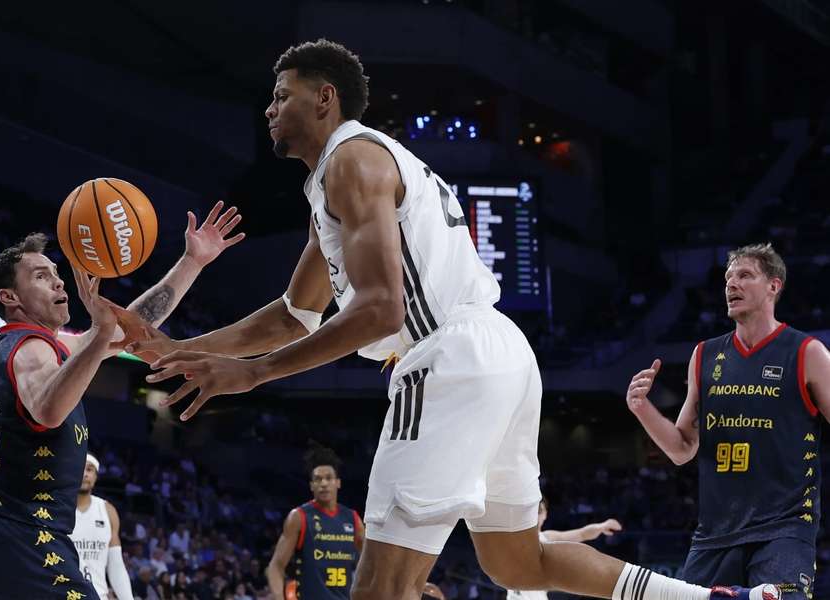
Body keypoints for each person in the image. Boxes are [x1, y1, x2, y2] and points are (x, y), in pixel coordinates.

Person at [131, 40, 780, 600]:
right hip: (502, 355)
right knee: (518, 562)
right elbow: (295, 314)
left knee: (380, 587)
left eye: (282, 96)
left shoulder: (352, 163)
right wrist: (183, 347)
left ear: (324, 98)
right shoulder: (342, 180)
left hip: (448, 359)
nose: (270, 109)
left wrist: (254, 374)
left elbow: (380, 309)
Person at [0, 201, 244, 600]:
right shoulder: (30, 348)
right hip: (17, 539)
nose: (59, 283)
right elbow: (48, 410)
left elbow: (130, 330)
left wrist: (192, 262)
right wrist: (101, 335)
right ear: (10, 297)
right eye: (41, 276)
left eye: (57, 274)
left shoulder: (41, 349)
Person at [627, 243, 830, 600]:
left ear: (774, 286)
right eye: (728, 278)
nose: (731, 284)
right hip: (714, 533)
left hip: (783, 529)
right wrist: (642, 407)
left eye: (745, 275)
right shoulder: (705, 354)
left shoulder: (807, 352)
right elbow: (682, 449)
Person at [265, 444, 364, 600]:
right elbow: (275, 567)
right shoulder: (299, 517)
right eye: (318, 479)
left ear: (338, 483)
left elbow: (371, 565)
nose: (323, 483)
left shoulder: (353, 519)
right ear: (312, 485)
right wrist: (279, 597)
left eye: (329, 478)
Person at [507, 497, 622, 599]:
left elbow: (582, 534)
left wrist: (601, 526)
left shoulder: (547, 537)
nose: (535, 515)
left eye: (539, 511)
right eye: (533, 511)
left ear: (545, 514)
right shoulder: (513, 537)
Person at [69, 452, 133, 600]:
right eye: (80, 468)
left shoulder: (108, 510)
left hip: (98, 596)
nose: (85, 474)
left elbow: (116, 566)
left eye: (89, 469)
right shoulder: (59, 509)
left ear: (96, 476)